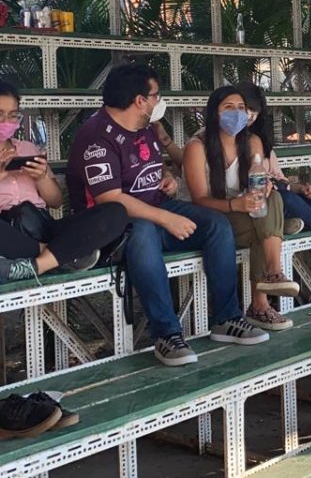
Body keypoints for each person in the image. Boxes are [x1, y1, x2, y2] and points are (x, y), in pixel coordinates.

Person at [66, 64, 267, 367]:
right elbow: (111, 199)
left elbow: (152, 166)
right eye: (155, 95)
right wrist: (164, 218)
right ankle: (167, 335)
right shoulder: (96, 136)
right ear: (139, 100)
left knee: (215, 224)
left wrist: (168, 179)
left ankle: (227, 318)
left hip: (157, 207)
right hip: (112, 226)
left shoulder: (145, 127)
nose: (159, 101)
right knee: (144, 232)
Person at [0, 79, 129, 280]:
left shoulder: (28, 149)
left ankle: (36, 265)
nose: (6, 122)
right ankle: (63, 256)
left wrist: (41, 178)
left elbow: (55, 201)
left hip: (42, 225)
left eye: (13, 115)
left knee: (115, 212)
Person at [185, 85, 300, 332]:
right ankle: (261, 302)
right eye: (229, 107)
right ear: (214, 112)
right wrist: (233, 204)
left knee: (273, 201)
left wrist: (263, 184)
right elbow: (198, 200)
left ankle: (273, 273)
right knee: (266, 226)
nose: (237, 114)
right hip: (211, 217)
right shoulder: (198, 146)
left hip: (242, 212)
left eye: (241, 108)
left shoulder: (252, 141)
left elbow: (257, 170)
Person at [235, 82, 311, 233]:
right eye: (247, 109)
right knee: (284, 198)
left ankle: (294, 222)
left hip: (286, 198)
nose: (250, 116)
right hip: (262, 203)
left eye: (255, 112)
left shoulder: (262, 144)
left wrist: (300, 188)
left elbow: (280, 180)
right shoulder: (228, 142)